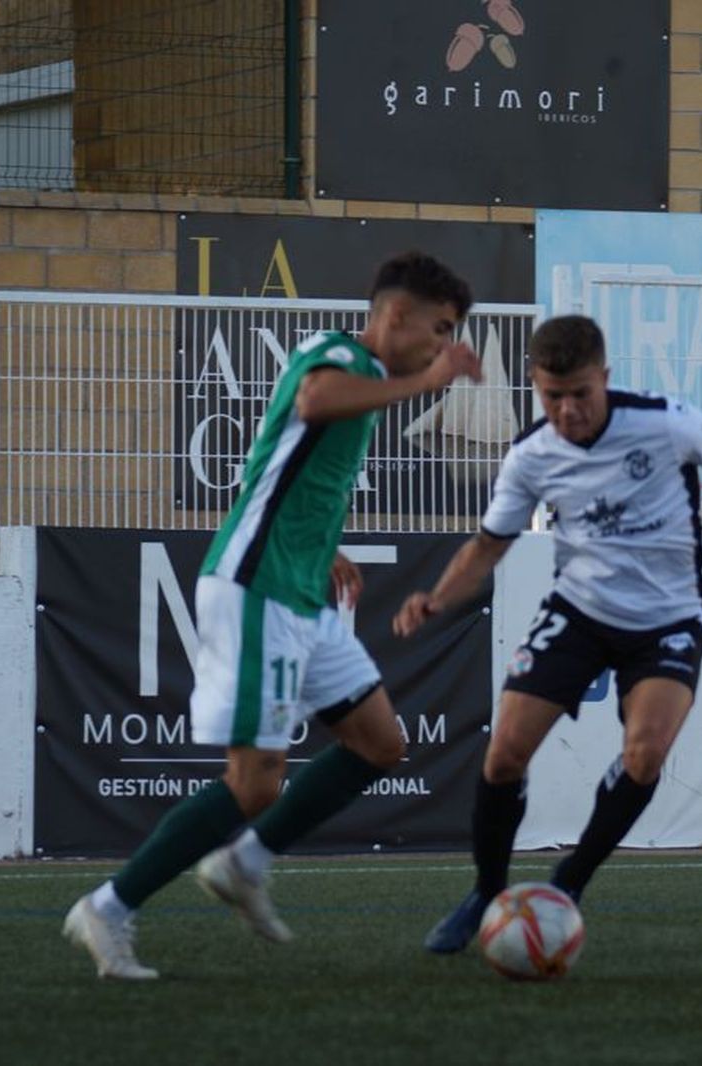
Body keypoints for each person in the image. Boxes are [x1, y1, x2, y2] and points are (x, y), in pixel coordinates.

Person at [64, 251, 481, 979]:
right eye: (439, 330)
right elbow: (315, 402)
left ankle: (243, 863)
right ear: (397, 315)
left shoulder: (368, 374)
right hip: (256, 586)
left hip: (300, 587)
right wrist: (429, 381)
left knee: (380, 742)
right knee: (254, 782)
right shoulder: (339, 353)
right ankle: (107, 908)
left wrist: (326, 549)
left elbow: (286, 468)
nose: (442, 347)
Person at [394, 313, 702, 954]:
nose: (568, 410)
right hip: (577, 614)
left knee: (645, 754)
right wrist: (435, 599)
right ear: (534, 386)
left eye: (581, 393)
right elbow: (490, 544)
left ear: (604, 378)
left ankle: (568, 884)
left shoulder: (662, 423)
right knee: (503, 755)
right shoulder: (530, 455)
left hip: (667, 619)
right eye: (553, 396)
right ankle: (486, 894)